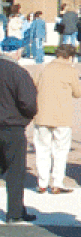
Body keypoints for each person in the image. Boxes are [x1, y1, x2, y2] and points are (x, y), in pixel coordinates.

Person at [32, 44, 81, 193]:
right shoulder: (70, 70)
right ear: (70, 56)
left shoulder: (43, 68)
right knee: (60, 150)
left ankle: (42, 182)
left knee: (42, 150)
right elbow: (77, 92)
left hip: (42, 113)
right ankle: (57, 182)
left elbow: (34, 86)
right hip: (62, 115)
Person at [0, 45, 38, 223]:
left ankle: (18, 210)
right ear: (16, 52)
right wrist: (26, 117)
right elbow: (28, 102)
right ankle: (14, 212)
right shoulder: (18, 73)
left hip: (10, 123)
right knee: (15, 171)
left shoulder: (17, 72)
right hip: (12, 126)